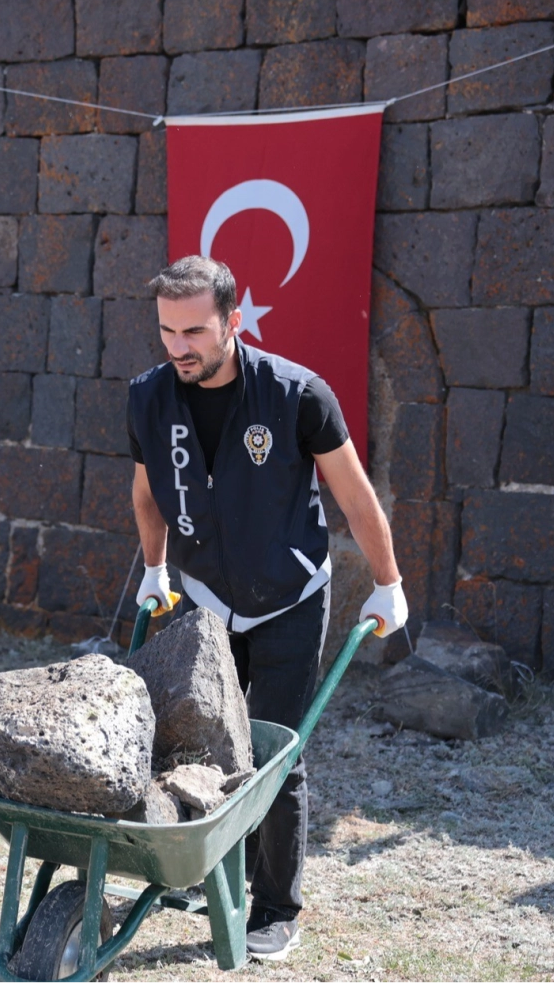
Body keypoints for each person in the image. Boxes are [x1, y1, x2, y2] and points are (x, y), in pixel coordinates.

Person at [127, 256, 406, 962]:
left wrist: (387, 581)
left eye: (194, 330)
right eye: (167, 331)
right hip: (205, 595)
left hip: (289, 597)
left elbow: (353, 494)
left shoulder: (296, 395)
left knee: (275, 752)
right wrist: (156, 569)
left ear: (233, 322)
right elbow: (147, 492)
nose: (179, 346)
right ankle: (204, 871)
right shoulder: (148, 398)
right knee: (198, 744)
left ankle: (277, 908)